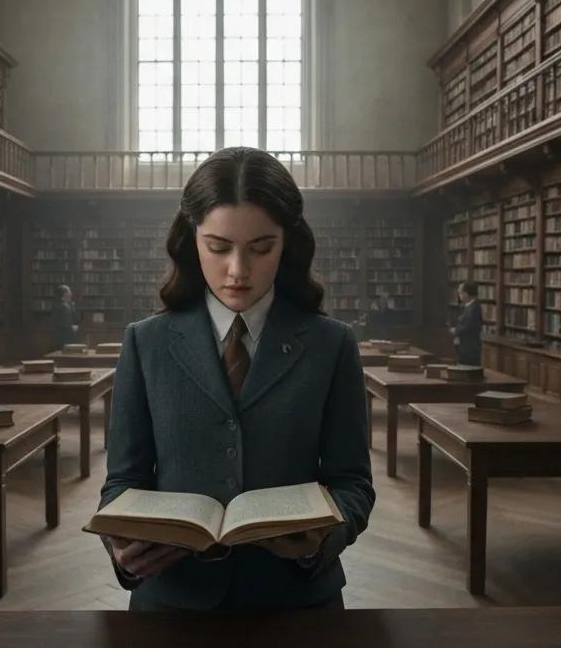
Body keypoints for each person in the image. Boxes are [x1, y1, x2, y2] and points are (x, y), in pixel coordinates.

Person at [96, 147, 375, 611]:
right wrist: (125, 552)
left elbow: (353, 483)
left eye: (261, 248)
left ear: (287, 244)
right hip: (173, 603)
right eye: (219, 247)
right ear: (192, 241)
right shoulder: (146, 343)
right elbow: (123, 480)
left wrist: (320, 540)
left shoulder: (332, 344)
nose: (238, 271)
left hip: (298, 602)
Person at [451, 281, 483, 366]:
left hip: (470, 347)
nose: (459, 296)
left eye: (460, 293)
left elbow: (469, 326)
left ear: (466, 294)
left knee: (468, 370)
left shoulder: (474, 308)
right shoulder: (469, 306)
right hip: (465, 346)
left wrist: (456, 330)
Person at [51, 284, 80, 349]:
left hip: (59, 338)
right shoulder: (63, 306)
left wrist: (71, 305)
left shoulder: (59, 304)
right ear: (65, 293)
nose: (71, 293)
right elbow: (64, 324)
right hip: (64, 339)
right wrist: (73, 328)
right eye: (69, 291)